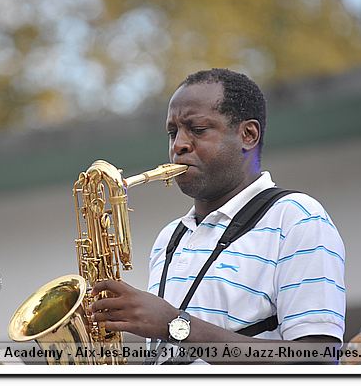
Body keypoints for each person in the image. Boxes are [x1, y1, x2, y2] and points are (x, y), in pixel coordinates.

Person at [90, 68, 346, 364]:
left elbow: (318, 359)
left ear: (248, 135)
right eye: (173, 133)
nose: (178, 146)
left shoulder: (296, 218)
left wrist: (176, 326)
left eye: (197, 129)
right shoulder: (169, 238)